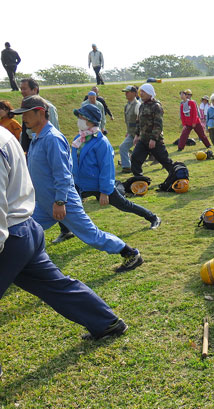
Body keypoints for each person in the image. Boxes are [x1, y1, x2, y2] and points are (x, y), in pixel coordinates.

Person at [0, 125, 128, 377]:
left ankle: (107, 317)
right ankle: (105, 322)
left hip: (11, 234)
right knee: (55, 284)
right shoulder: (5, 135)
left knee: (60, 278)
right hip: (25, 227)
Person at [11, 96, 143, 272]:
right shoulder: (37, 137)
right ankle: (20, 264)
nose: (23, 118)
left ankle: (131, 254)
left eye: (26, 114)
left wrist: (60, 202)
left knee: (92, 235)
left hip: (63, 202)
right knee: (23, 231)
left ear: (40, 113)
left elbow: (63, 174)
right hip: (44, 203)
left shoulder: (52, 138)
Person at [61, 105, 161, 235]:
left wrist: (104, 191)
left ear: (90, 120)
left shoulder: (101, 142)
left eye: (81, 117)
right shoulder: (78, 139)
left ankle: (153, 217)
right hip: (80, 183)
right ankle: (66, 231)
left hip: (98, 183)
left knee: (124, 204)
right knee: (63, 201)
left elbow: (107, 168)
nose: (78, 120)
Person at [131, 83, 174, 178]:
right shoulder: (142, 106)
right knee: (135, 158)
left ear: (150, 93)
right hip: (143, 140)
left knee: (164, 160)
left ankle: (176, 176)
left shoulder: (156, 106)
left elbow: (158, 124)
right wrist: (136, 135)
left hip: (155, 140)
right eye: (140, 91)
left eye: (143, 92)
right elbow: (139, 122)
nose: (141, 94)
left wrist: (153, 139)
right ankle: (139, 180)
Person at [118, 85, 140, 173]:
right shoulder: (127, 106)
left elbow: (140, 121)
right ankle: (127, 166)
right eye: (125, 92)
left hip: (139, 134)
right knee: (123, 147)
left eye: (128, 92)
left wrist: (138, 135)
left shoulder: (138, 105)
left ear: (134, 93)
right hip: (132, 133)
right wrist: (128, 131)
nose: (126, 94)